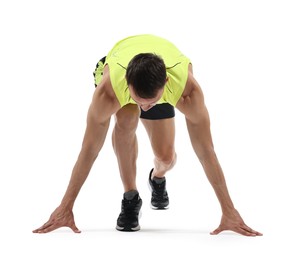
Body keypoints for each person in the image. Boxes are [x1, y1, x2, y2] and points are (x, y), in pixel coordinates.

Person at [33, 34, 262, 236]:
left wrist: (229, 210)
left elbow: (205, 150)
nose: (143, 106)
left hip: (155, 81)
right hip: (123, 70)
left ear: (166, 84)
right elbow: (90, 148)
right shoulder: (109, 91)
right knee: (126, 120)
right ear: (127, 84)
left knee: (166, 157)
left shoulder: (187, 92)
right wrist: (66, 206)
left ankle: (158, 177)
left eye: (149, 102)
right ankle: (130, 197)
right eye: (138, 99)